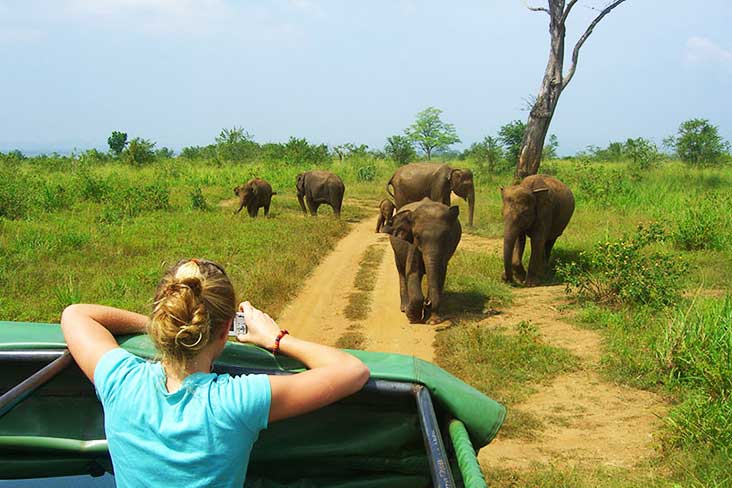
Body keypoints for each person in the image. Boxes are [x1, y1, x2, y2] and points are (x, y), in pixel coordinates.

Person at [60, 258, 370, 487]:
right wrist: (275, 338)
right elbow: (351, 370)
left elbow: (76, 314)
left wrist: (166, 322)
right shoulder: (235, 401)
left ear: (163, 319)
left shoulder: (121, 382)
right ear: (225, 331)